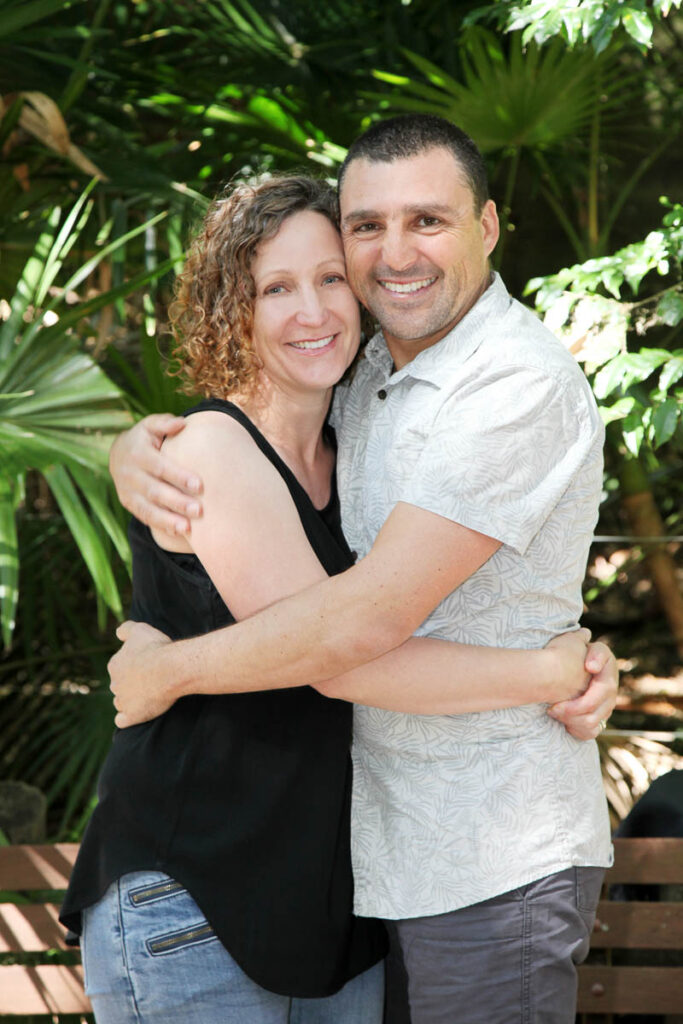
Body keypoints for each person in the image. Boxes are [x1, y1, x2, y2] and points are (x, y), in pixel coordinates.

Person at [61, 173, 607, 1024]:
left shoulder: (359, 433)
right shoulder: (212, 447)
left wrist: (577, 657)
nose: (311, 311)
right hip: (195, 890)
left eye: (328, 280)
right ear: (229, 311)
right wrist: (544, 673)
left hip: (326, 897)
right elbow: (340, 658)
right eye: (274, 288)